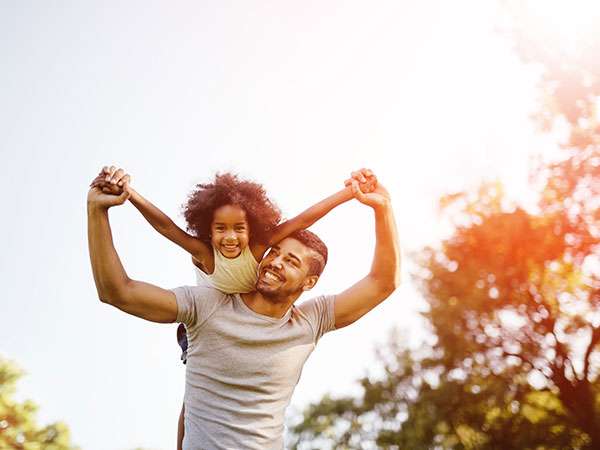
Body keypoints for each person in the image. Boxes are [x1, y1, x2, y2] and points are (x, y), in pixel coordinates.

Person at [87, 167, 400, 450]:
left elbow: (382, 282)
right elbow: (118, 292)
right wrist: (97, 211)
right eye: (275, 253)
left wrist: (382, 209)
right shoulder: (207, 305)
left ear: (309, 282)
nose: (275, 262)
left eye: (291, 261)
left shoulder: (310, 321)